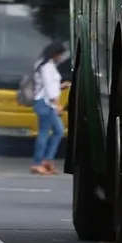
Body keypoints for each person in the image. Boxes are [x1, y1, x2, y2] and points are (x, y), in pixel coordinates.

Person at [28, 42, 68, 175]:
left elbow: (48, 85)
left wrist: (60, 86)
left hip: (47, 102)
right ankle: (37, 163)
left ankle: (47, 160)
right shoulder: (46, 66)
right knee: (44, 132)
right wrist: (57, 104)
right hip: (45, 103)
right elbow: (48, 86)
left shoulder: (46, 65)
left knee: (58, 130)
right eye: (60, 54)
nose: (61, 57)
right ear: (55, 53)